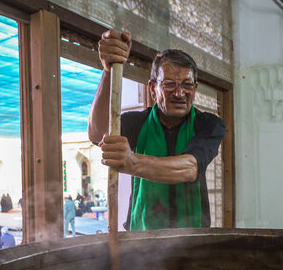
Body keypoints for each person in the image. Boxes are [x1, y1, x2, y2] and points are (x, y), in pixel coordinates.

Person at [88, 30, 225, 230]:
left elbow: (189, 168)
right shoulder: (138, 123)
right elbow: (97, 132)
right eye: (169, 84)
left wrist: (132, 162)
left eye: (187, 85)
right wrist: (109, 71)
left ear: (194, 89)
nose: (179, 93)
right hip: (141, 240)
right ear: (153, 88)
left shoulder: (208, 124)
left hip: (193, 240)